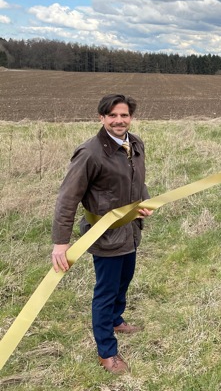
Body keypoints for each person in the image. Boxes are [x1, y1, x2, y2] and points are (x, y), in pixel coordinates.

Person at [51, 94, 153, 374]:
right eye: (112, 116)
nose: (119, 121)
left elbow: (137, 179)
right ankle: (106, 352)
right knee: (106, 292)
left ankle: (116, 320)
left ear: (130, 117)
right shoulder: (90, 153)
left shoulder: (135, 143)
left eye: (124, 115)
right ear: (101, 118)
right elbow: (67, 199)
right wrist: (61, 243)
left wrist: (144, 201)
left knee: (124, 281)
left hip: (131, 232)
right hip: (105, 236)